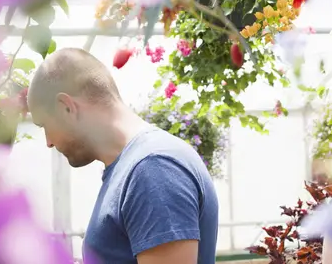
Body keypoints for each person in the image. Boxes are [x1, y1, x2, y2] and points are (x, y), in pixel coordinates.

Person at [27, 48, 219, 264]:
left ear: (67, 108)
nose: (48, 142)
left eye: (44, 125)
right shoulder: (131, 167)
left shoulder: (153, 169)